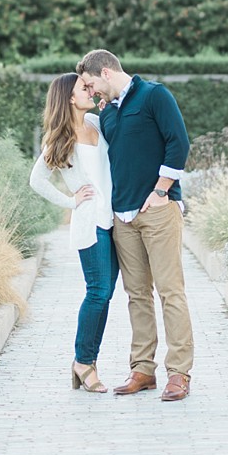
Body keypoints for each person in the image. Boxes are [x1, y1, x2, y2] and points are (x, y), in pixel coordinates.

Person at [76, 49, 194, 402]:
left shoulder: (154, 95)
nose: (91, 91)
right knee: (137, 295)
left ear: (107, 72)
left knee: (170, 292)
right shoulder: (108, 114)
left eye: (91, 83)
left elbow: (179, 143)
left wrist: (161, 190)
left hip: (158, 211)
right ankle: (143, 370)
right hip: (122, 218)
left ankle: (179, 373)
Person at [29, 72, 119, 393]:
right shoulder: (61, 137)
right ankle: (83, 362)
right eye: (84, 88)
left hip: (112, 220)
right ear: (69, 96)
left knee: (106, 295)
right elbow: (36, 180)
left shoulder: (95, 122)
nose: (90, 91)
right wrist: (70, 201)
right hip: (89, 223)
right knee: (97, 291)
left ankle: (86, 361)